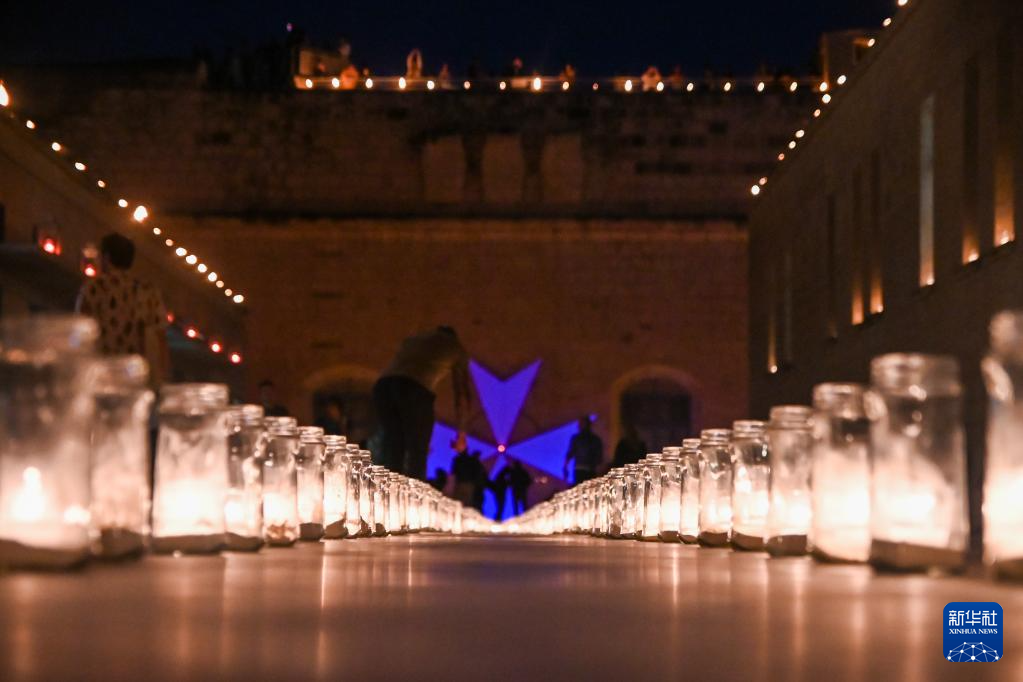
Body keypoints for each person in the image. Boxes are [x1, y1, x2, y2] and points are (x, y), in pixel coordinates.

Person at [373, 326, 473, 480]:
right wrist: (461, 433)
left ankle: (389, 490)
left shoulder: (414, 339)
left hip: (383, 386)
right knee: (417, 450)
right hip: (415, 389)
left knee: (393, 446)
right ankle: (414, 492)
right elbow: (462, 395)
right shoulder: (456, 348)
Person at [76, 232, 169, 389]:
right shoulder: (148, 292)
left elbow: (80, 334)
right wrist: (162, 377)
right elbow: (161, 339)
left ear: (106, 258)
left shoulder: (93, 289)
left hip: (101, 376)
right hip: (134, 378)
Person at [563, 416, 603, 485]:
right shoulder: (595, 439)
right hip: (587, 469)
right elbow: (599, 457)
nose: (579, 426)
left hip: (584, 469)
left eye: (581, 424)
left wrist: (565, 466)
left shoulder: (577, 439)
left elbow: (570, 453)